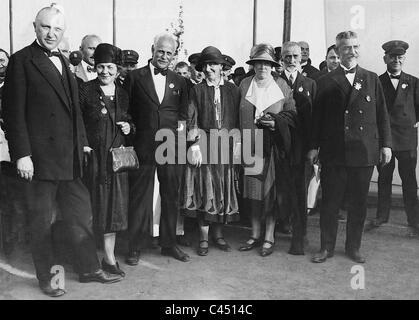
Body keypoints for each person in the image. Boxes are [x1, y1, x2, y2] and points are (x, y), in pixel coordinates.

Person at [2, 5, 122, 297]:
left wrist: (81, 141)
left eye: (57, 29)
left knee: (81, 215)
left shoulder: (63, 60)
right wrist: (22, 154)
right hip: (40, 161)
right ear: (35, 27)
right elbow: (13, 112)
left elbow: (74, 111)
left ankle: (89, 269)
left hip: (69, 160)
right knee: (41, 222)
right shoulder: (21, 61)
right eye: (46, 28)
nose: (51, 34)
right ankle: (47, 278)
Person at [308, 31, 392, 264]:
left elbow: (382, 114)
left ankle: (353, 247)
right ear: (337, 50)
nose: (352, 52)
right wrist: (313, 147)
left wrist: (386, 145)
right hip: (334, 151)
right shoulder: (324, 81)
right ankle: (326, 248)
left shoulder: (371, 78)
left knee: (358, 203)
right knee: (330, 203)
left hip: (364, 152)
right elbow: (317, 119)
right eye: (346, 48)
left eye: (355, 47)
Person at [124, 33, 190, 264]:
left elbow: (182, 117)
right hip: (142, 145)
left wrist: (180, 145)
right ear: (152, 49)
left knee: (171, 195)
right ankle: (134, 246)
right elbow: (126, 111)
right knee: (139, 196)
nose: (163, 56)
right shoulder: (134, 77)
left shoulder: (180, 81)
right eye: (160, 51)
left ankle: (169, 244)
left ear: (174, 55)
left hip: (170, 147)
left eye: (168, 53)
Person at [80, 43, 134, 277]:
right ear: (94, 66)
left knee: (114, 210)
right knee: (93, 209)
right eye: (101, 66)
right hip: (94, 160)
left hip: (117, 160)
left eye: (110, 67)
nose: (105, 71)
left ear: (117, 69)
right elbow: (77, 121)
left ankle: (109, 258)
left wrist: (129, 126)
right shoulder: (85, 90)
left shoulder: (123, 93)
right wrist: (82, 144)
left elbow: (131, 119)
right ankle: (89, 260)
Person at [237, 43, 297, 257]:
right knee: (253, 193)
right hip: (249, 146)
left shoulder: (282, 86)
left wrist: (276, 123)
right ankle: (254, 234)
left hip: (273, 147)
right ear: (253, 64)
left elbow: (292, 114)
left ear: (272, 65)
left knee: (270, 194)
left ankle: (269, 236)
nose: (262, 67)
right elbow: (235, 115)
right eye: (258, 62)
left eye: (266, 63)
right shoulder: (244, 85)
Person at [181, 46, 240, 256]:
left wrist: (238, 145)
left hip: (226, 145)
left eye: (213, 64)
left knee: (222, 188)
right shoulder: (196, 90)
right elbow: (191, 117)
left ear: (221, 66)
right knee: (206, 189)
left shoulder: (233, 89)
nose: (209, 69)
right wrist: (194, 145)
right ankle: (204, 238)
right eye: (205, 65)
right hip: (204, 145)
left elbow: (238, 119)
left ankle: (219, 235)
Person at [366, 40, 419, 236]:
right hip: (385, 139)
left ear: (404, 58)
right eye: (392, 57)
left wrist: (411, 122)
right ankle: (382, 216)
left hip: (406, 139)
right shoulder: (376, 82)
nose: (396, 60)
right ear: (385, 58)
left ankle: (414, 219)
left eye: (400, 57)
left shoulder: (414, 82)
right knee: (384, 178)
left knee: (409, 180)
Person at [280, 41, 317, 254]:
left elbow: (314, 119)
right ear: (282, 59)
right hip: (281, 145)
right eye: (287, 56)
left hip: (302, 146)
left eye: (296, 56)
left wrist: (313, 147)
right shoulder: (276, 81)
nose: (292, 60)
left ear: (302, 57)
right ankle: (278, 226)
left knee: (300, 191)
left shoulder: (310, 83)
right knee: (282, 189)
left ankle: (299, 236)